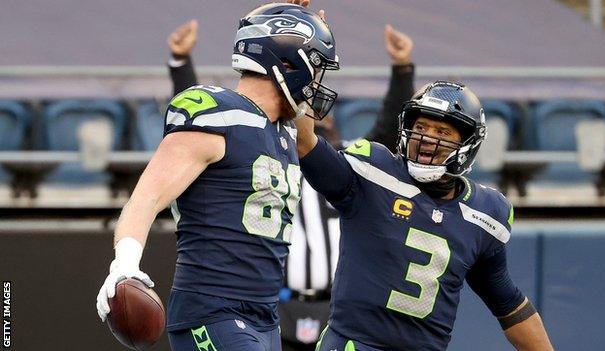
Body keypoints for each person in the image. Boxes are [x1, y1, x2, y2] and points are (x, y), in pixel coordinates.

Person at [96, 2, 340, 350]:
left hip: (266, 316)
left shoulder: (286, 132)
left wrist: (291, 18)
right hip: (213, 311)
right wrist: (125, 264)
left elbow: (306, 130)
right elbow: (146, 197)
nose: (317, 82)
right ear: (289, 63)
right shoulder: (216, 114)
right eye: (316, 68)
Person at [166, 16, 416, 351]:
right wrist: (181, 65)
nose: (314, 114)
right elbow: (207, 129)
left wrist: (402, 71)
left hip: (333, 310)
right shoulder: (263, 147)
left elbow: (386, 131)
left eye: (321, 114)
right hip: (274, 308)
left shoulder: (344, 167)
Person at [295, 81, 554, 350]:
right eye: (420, 127)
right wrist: (301, 82)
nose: (427, 138)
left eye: (442, 131)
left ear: (467, 143)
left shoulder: (485, 214)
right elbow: (305, 144)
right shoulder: (372, 173)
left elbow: (508, 304)